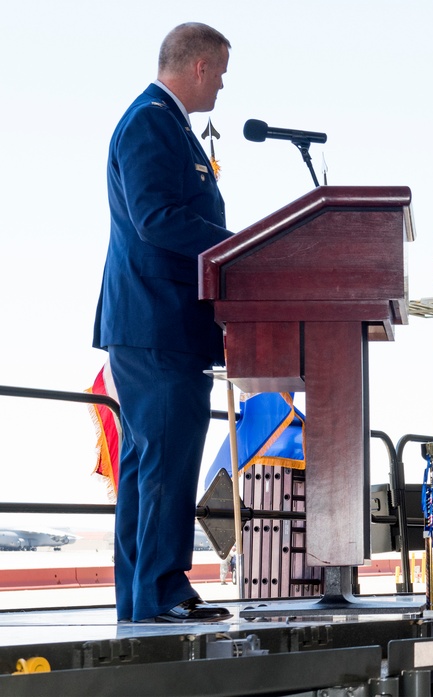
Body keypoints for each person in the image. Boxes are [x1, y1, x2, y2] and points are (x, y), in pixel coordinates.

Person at [93, 22, 234, 623]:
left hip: (156, 322)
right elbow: (155, 218)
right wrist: (239, 245)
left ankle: (141, 599)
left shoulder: (162, 120)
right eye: (222, 72)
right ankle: (163, 592)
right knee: (167, 460)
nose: (224, 85)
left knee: (152, 463)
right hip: (156, 320)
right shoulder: (152, 120)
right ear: (199, 66)